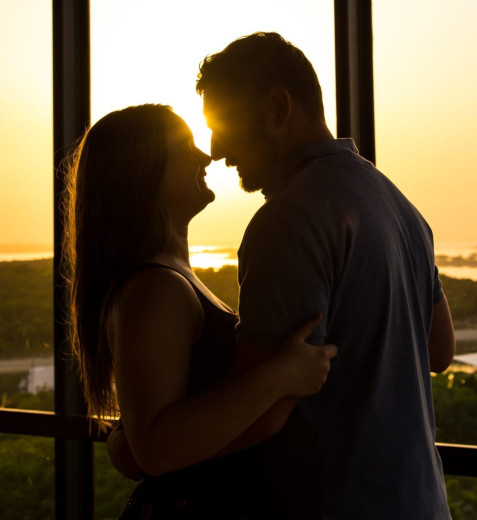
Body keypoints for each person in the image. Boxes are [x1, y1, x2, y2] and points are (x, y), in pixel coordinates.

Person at [196, 32, 456, 519]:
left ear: (277, 108)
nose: (215, 150)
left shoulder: (287, 222)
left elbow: (262, 413)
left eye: (222, 124)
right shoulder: (399, 205)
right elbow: (440, 350)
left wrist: (150, 451)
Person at [63, 104, 337, 519]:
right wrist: (281, 375)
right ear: (142, 171)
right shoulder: (155, 289)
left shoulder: (169, 279)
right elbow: (156, 448)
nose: (205, 156)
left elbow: (147, 440)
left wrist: (131, 439)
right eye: (184, 146)